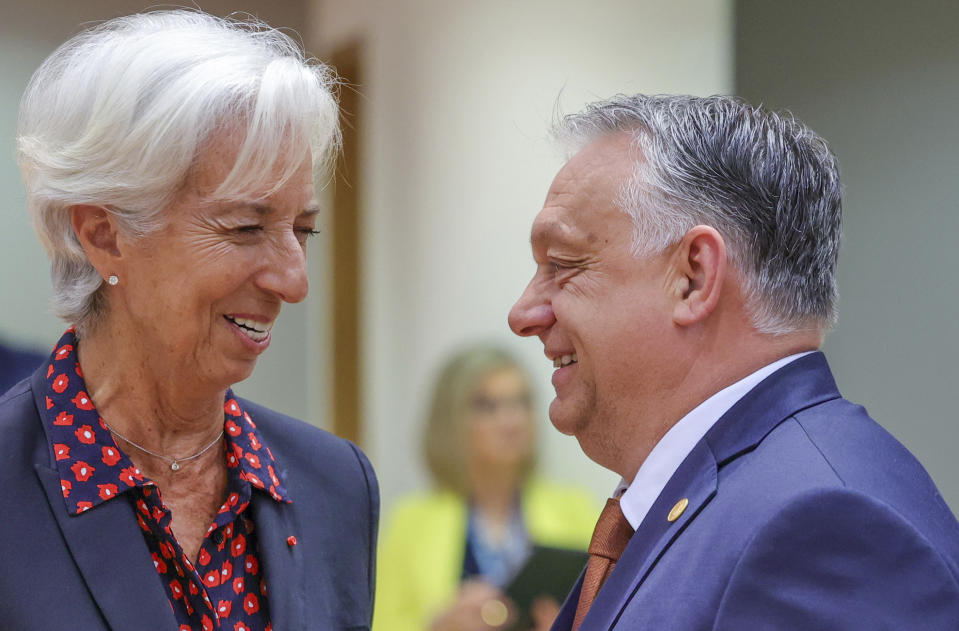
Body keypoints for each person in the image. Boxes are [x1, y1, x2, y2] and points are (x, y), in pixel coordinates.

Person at [508, 94, 959, 630]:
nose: (523, 313)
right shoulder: (743, 495)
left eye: (562, 264)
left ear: (694, 277)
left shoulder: (821, 527)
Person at [0, 11, 378, 630]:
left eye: (302, 230)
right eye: (245, 228)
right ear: (104, 235)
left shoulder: (334, 484)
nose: (294, 280)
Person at [374, 345, 597, 631]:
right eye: (487, 406)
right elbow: (377, 622)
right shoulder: (410, 522)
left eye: (522, 403)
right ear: (450, 420)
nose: (512, 421)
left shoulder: (575, 508)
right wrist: (436, 627)